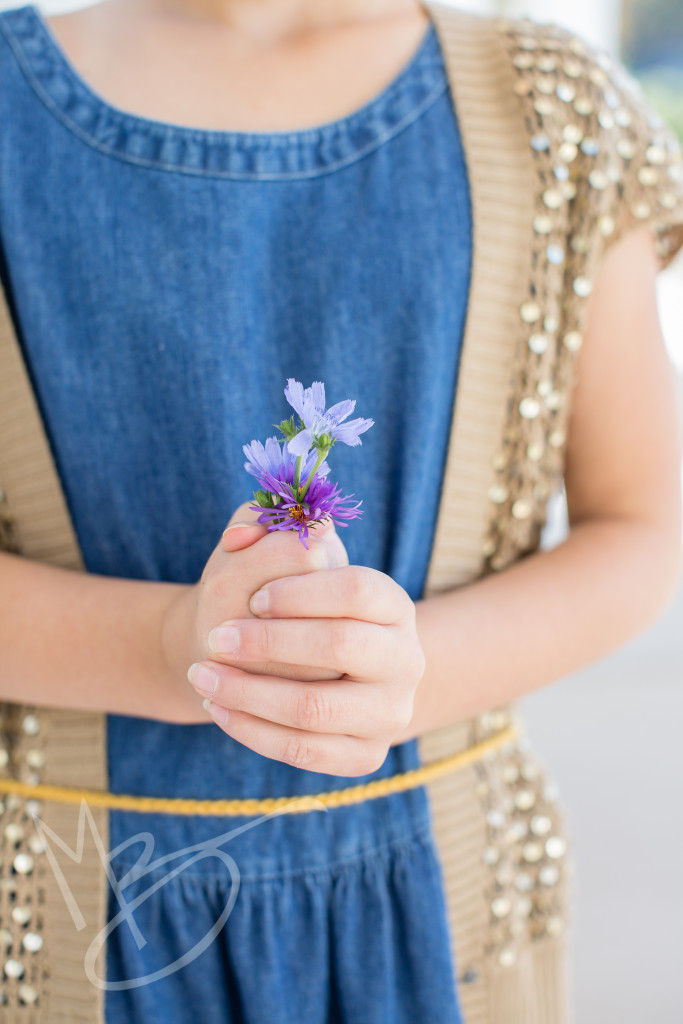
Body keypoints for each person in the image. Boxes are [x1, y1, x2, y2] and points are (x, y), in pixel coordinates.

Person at [0, 0, 681, 1021]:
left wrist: (402, 673)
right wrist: (176, 644)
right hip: (64, 923)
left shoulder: (553, 109)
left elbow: (641, 525)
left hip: (446, 915)